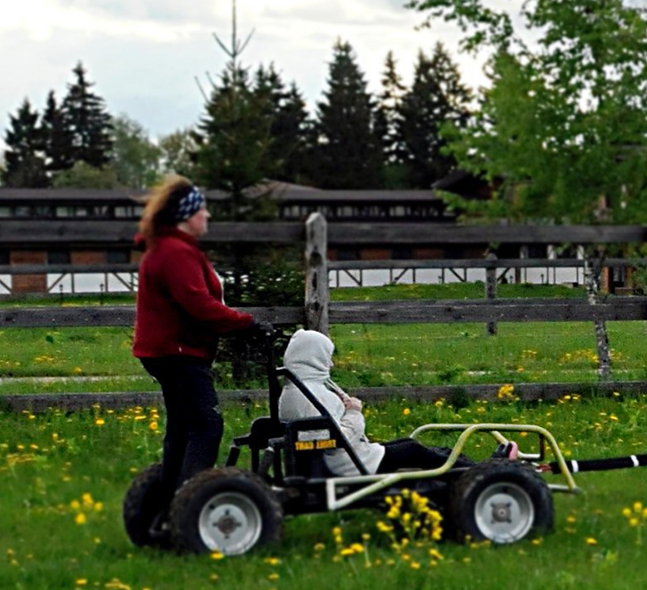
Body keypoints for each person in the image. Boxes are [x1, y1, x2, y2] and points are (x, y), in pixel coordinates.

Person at [130, 176, 264, 530]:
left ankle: (166, 507)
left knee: (183, 427)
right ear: (188, 214)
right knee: (206, 424)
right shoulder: (175, 252)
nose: (207, 215)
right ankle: (190, 512)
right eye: (202, 208)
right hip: (179, 352)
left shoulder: (166, 248)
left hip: (166, 350)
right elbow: (199, 305)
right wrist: (246, 323)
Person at [278, 328, 515, 475]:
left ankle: (481, 468)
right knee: (413, 449)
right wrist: (354, 412)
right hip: (351, 465)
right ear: (313, 358)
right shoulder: (312, 394)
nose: (330, 364)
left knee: (420, 447)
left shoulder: (296, 391)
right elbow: (339, 437)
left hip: (348, 459)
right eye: (326, 358)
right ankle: (484, 474)